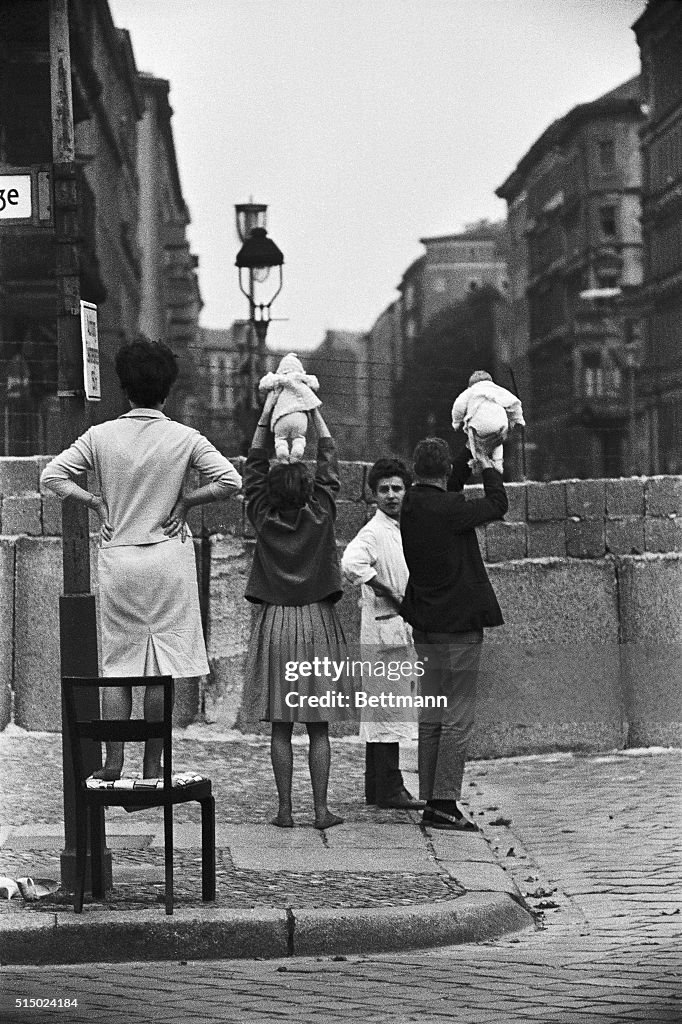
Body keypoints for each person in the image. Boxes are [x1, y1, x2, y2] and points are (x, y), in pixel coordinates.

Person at [41, 338, 242, 780]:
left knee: (119, 666)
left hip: (121, 557)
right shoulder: (185, 438)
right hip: (168, 557)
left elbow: (52, 475)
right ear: (166, 389)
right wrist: (188, 501)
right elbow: (230, 480)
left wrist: (95, 502)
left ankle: (113, 762)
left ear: (124, 387)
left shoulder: (100, 436)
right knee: (160, 669)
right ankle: (153, 761)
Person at [241, 397, 345, 830]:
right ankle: (321, 811)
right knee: (318, 727)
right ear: (308, 490)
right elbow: (330, 464)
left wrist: (267, 416)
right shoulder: (321, 515)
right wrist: (314, 410)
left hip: (276, 622)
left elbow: (252, 470)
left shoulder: (262, 518)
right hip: (317, 621)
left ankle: (285, 810)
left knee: (281, 726)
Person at [400, 437, 507, 830]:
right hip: (459, 626)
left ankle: (432, 800)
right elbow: (498, 504)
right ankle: (445, 804)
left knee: (430, 714)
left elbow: (449, 488)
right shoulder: (453, 509)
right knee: (457, 718)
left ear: (414, 471)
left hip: (425, 623)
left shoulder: (410, 504)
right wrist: (488, 465)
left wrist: (467, 451)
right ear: (445, 471)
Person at [341, 457, 423, 810]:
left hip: (395, 629)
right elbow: (350, 563)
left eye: (397, 488)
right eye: (384, 490)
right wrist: (386, 589)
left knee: (386, 709)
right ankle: (391, 787)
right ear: (374, 494)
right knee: (388, 709)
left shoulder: (403, 527)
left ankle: (377, 787)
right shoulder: (374, 531)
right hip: (383, 630)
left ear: (407, 491)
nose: (391, 495)